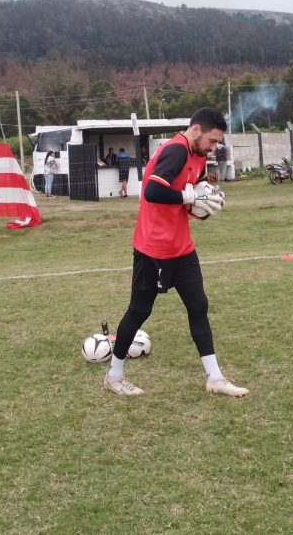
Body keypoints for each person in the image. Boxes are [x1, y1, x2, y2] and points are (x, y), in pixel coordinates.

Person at [103, 107, 248, 398]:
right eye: (212, 140)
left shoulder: (198, 154)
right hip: (153, 248)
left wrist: (201, 199)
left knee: (198, 306)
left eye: (218, 143)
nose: (214, 147)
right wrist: (188, 196)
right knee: (139, 311)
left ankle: (215, 379)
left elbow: (190, 192)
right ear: (196, 130)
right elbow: (152, 192)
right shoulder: (176, 151)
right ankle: (114, 375)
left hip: (182, 247)